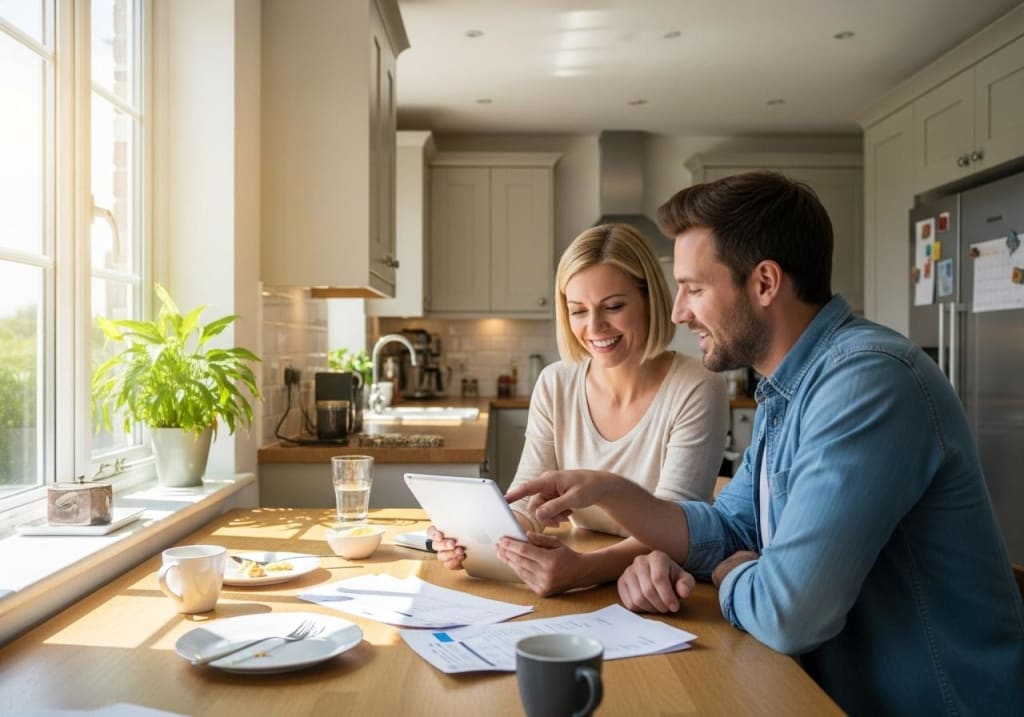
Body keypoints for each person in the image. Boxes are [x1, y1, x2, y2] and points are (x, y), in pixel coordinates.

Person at [505, 172, 1024, 716]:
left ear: (765, 283)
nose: (679, 311)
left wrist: (732, 574)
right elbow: (730, 527)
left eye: (695, 288)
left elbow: (788, 613)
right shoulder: (787, 388)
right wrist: (609, 490)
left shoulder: (867, 381)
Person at [428, 222, 728, 595]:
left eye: (614, 306)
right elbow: (527, 502)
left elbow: (678, 532)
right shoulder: (557, 382)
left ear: (651, 299)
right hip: (579, 570)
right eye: (578, 311)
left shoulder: (698, 386)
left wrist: (584, 570)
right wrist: (479, 538)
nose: (594, 327)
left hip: (657, 584)